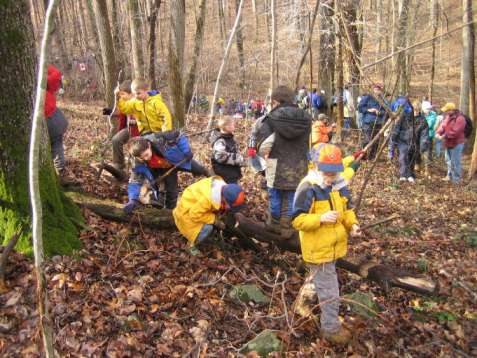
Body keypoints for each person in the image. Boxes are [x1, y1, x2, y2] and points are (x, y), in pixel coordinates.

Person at [292, 144, 361, 345]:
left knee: (317, 279)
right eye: (326, 173)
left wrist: (353, 225)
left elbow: (346, 210)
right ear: (316, 166)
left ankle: (302, 303)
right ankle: (330, 329)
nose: (330, 177)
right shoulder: (308, 187)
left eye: (333, 173)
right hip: (318, 249)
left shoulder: (338, 185)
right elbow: (297, 220)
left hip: (332, 246)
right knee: (330, 292)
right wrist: (320, 218)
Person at [249, 86, 312, 236]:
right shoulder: (306, 117)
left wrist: (264, 155)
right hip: (300, 164)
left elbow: (264, 145)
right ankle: (287, 226)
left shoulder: (270, 119)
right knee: (291, 195)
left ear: (276, 101)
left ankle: (274, 223)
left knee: (275, 194)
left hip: (275, 164)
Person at [124, 132, 209, 213]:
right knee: (171, 192)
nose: (146, 159)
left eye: (146, 155)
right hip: (165, 169)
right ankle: (169, 213)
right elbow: (134, 180)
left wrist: (186, 151)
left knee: (201, 170)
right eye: (142, 157)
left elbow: (179, 135)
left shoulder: (159, 138)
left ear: (149, 145)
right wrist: (133, 199)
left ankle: (216, 183)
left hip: (179, 160)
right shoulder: (137, 161)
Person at [173, 177, 245, 255]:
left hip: (192, 207)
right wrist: (215, 220)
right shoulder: (208, 199)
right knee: (208, 228)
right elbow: (194, 214)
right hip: (186, 214)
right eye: (230, 206)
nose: (230, 208)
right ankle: (190, 245)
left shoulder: (222, 189)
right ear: (224, 199)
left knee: (212, 219)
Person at [103, 80, 140, 171]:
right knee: (116, 139)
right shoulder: (124, 102)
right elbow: (122, 112)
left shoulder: (137, 102)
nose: (121, 96)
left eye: (123, 94)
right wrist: (110, 112)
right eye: (121, 94)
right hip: (128, 128)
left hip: (138, 131)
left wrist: (136, 121)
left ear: (131, 94)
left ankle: (138, 170)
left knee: (136, 149)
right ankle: (119, 164)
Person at [45, 64, 69, 176]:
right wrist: (46, 66)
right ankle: (61, 171)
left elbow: (55, 78)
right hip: (51, 119)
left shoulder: (45, 83)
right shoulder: (43, 82)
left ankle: (59, 168)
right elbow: (55, 75)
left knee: (55, 143)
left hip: (52, 117)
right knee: (56, 143)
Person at [435, 103, 467, 183]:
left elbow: (455, 132)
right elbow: (442, 126)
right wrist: (438, 132)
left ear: (452, 110)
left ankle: (456, 179)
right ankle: (449, 175)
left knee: (455, 161)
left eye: (447, 111)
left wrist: (444, 136)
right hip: (448, 142)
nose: (446, 112)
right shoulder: (447, 117)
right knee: (448, 160)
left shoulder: (460, 118)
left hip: (457, 143)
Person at [209, 117, 244, 184]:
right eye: (233, 124)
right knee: (229, 193)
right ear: (227, 127)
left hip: (230, 173)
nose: (234, 126)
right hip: (224, 175)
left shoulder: (229, 138)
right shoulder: (220, 140)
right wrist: (238, 159)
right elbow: (220, 156)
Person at [391, 96, 416, 182]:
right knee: (403, 157)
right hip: (402, 140)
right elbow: (396, 129)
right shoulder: (401, 116)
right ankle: (403, 174)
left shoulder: (411, 115)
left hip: (411, 140)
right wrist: (394, 138)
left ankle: (408, 174)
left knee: (408, 157)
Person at [358, 84, 387, 160]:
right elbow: (360, 108)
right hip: (367, 122)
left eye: (378, 89)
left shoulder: (383, 100)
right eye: (375, 89)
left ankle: (372, 156)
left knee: (376, 141)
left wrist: (380, 112)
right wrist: (369, 110)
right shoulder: (368, 98)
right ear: (373, 90)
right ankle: (363, 156)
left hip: (378, 123)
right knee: (367, 140)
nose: (377, 91)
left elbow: (387, 111)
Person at [411, 101, 431, 179]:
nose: (415, 112)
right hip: (411, 139)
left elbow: (424, 134)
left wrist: (423, 143)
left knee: (425, 152)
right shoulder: (408, 117)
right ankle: (416, 165)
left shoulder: (422, 120)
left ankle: (427, 169)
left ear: (420, 110)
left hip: (421, 139)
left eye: (417, 110)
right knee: (414, 152)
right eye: (414, 110)